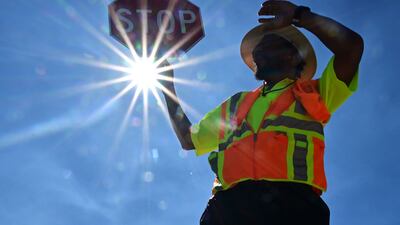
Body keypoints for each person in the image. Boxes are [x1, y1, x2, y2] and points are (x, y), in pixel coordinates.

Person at [160, 1, 363, 224]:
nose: (257, 51)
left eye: (268, 44)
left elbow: (351, 47)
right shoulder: (236, 103)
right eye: (258, 48)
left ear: (293, 56)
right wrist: (167, 88)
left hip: (294, 208)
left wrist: (299, 15)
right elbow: (189, 139)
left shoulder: (315, 94)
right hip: (228, 210)